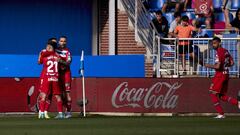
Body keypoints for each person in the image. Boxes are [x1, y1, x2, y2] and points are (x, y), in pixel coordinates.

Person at [202, 37, 239, 118]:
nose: (213, 45)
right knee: (221, 95)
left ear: (219, 43)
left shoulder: (219, 52)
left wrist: (207, 65)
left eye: (215, 43)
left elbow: (218, 66)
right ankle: (237, 103)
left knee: (213, 93)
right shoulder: (226, 51)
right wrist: (226, 66)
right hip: (226, 74)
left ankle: (221, 113)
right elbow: (232, 63)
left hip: (220, 75)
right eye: (213, 43)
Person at [38, 41, 64, 119]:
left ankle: (42, 113)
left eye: (49, 47)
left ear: (52, 48)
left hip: (47, 77)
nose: (47, 48)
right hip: (55, 78)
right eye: (47, 46)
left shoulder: (45, 55)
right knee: (57, 96)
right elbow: (62, 67)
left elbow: (39, 62)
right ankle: (60, 113)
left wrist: (40, 55)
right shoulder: (58, 56)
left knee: (44, 95)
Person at [37, 37, 57, 118]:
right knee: (43, 93)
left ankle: (46, 111)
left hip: (54, 76)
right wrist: (41, 55)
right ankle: (40, 111)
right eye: (52, 42)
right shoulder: (43, 51)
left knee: (50, 94)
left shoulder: (57, 53)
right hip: (45, 75)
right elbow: (39, 62)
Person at [56, 36, 72, 118]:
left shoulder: (68, 52)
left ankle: (69, 112)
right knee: (60, 94)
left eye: (64, 41)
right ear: (59, 42)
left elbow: (68, 63)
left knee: (67, 93)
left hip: (66, 74)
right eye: (61, 41)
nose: (63, 42)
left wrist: (61, 61)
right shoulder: (55, 50)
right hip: (58, 74)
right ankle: (61, 112)